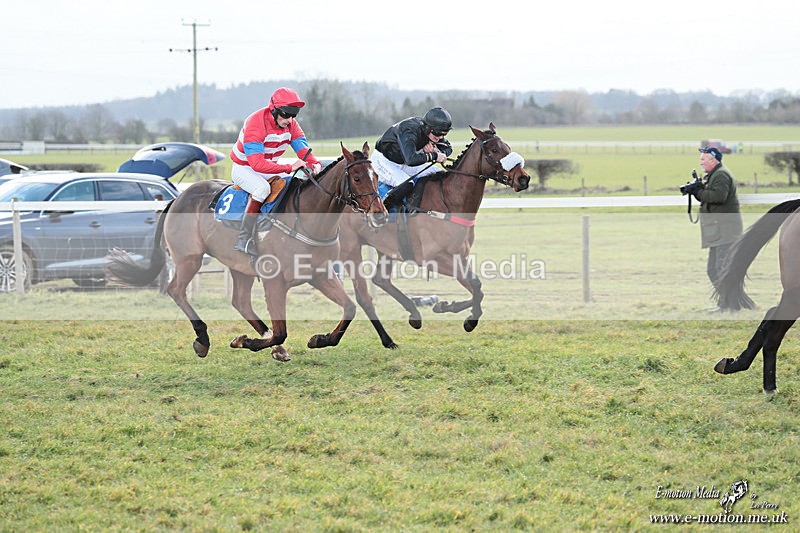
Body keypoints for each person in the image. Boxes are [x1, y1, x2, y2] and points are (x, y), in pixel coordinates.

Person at [229, 87, 322, 256]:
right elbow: (257, 164)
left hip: (267, 166)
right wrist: (289, 167)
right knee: (262, 189)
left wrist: (314, 163)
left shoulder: (291, 124)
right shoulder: (255, 123)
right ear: (274, 110)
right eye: (287, 114)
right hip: (244, 168)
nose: (290, 119)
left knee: (291, 184)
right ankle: (243, 238)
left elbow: (302, 149)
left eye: (294, 114)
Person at [373, 106, 454, 209]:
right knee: (407, 184)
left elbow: (449, 148)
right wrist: (434, 156)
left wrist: (437, 151)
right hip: (384, 161)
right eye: (438, 133)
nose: (440, 137)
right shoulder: (409, 130)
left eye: (444, 133)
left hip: (403, 162)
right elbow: (411, 160)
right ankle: (382, 209)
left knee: (439, 174)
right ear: (428, 128)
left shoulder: (434, 132)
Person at [694, 146, 743, 312]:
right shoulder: (715, 174)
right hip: (718, 231)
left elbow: (718, 197)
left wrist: (699, 192)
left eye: (703, 159)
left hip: (726, 231)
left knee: (720, 269)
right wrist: (698, 190)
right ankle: (729, 301)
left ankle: (727, 304)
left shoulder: (721, 175)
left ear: (713, 160)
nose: (700, 162)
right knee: (713, 270)